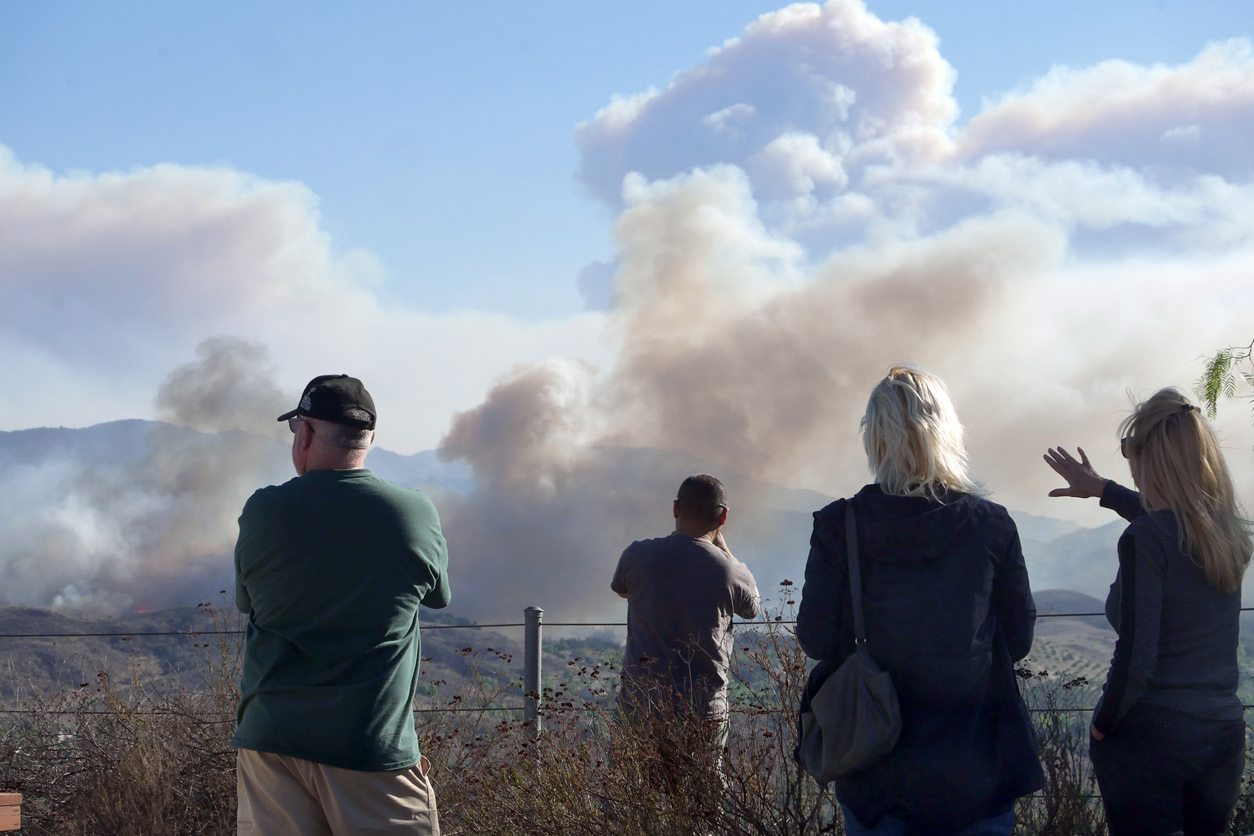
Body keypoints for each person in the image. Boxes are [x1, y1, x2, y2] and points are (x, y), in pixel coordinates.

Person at [796, 365, 1044, 836]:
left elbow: (816, 638)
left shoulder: (839, 526)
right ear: (945, 432)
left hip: (876, 770)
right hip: (976, 769)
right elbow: (1019, 638)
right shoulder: (990, 525)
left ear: (875, 439)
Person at [231, 374, 451, 836]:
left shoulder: (263, 510)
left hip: (270, 737)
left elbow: (245, 602)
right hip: (368, 742)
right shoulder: (412, 511)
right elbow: (437, 596)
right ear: (369, 438)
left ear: (306, 432)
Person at [1044, 388, 1251, 836]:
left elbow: (1137, 656)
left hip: (1152, 737)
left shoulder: (1146, 540)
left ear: (1150, 460)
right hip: (1223, 734)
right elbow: (1173, 523)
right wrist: (1104, 490)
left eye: (1131, 455)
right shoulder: (1227, 533)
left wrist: (1104, 723)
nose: (1130, 469)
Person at [611, 474, 761, 754]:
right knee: (702, 795)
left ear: (675, 508)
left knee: (628, 793)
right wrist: (722, 548)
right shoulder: (729, 570)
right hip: (703, 710)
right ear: (723, 517)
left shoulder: (637, 555)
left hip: (640, 704)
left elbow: (623, 590)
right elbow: (752, 608)